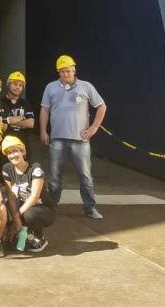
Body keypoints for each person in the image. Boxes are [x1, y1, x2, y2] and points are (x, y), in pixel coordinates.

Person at [40, 54, 107, 219]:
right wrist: (43, 131)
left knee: (85, 176)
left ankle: (90, 208)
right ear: (58, 72)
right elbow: (45, 110)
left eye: (68, 71)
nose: (65, 74)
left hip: (80, 140)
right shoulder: (50, 87)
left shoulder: (86, 86)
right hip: (57, 138)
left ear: (74, 70)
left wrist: (94, 128)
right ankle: (52, 207)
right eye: (62, 71)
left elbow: (101, 106)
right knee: (54, 176)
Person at [1, 135, 55, 252]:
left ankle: (39, 237)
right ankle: (20, 234)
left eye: (15, 151)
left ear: (22, 151)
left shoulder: (35, 169)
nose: (12, 155)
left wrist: (16, 217)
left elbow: (34, 197)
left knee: (28, 215)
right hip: (21, 207)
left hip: (41, 208)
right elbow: (10, 195)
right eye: (9, 153)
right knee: (4, 206)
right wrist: (14, 217)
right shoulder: (7, 168)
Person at [1, 71, 35, 149]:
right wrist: (20, 119)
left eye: (20, 85)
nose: (17, 87)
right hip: (6, 142)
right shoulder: (0, 102)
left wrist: (9, 121)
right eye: (15, 84)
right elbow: (1, 124)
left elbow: (30, 123)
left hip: (23, 142)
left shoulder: (25, 103)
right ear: (8, 84)